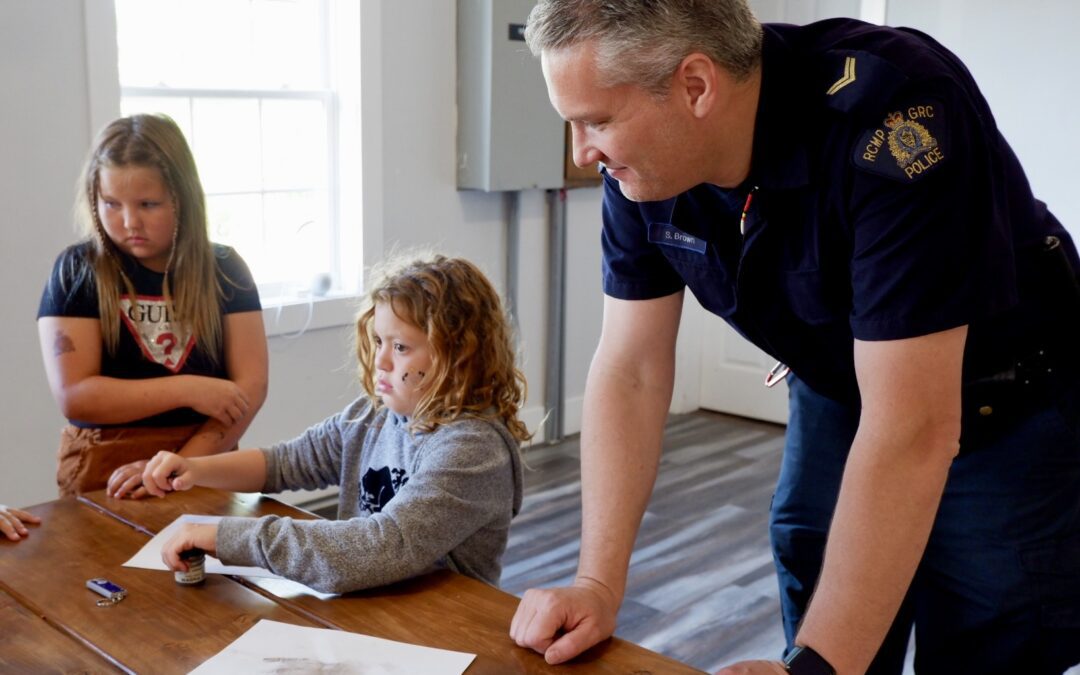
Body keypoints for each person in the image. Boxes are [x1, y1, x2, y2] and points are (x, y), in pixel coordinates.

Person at [510, 2, 1080, 674]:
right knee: (819, 587)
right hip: (839, 386)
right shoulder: (642, 166)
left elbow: (915, 427)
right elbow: (631, 366)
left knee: (982, 635)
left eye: (597, 121)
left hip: (1010, 404)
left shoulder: (897, 113)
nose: (581, 152)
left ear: (695, 86)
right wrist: (597, 585)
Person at [140, 254, 529, 594]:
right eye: (378, 341)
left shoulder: (473, 449)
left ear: (459, 356)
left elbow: (382, 547)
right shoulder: (374, 415)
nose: (381, 361)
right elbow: (285, 463)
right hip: (376, 607)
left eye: (401, 347)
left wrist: (226, 537)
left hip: (444, 631)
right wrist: (193, 469)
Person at [37, 114, 268, 500]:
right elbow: (75, 395)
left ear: (183, 198)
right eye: (111, 203)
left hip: (204, 456)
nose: (129, 222)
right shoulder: (76, 270)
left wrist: (181, 465)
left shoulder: (226, 268)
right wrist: (188, 388)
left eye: (148, 204)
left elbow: (251, 387)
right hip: (105, 467)